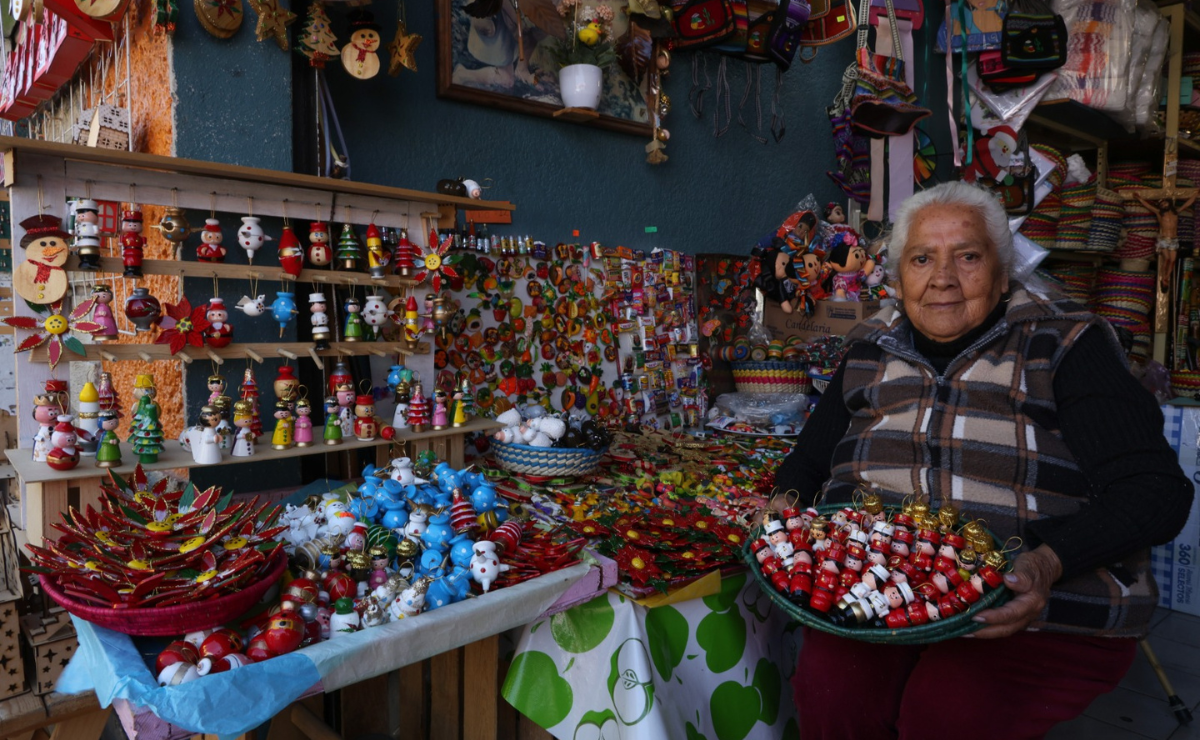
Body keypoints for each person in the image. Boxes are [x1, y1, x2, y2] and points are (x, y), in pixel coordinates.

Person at [773, 181, 1194, 739]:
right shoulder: (868, 346)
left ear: (1003, 273)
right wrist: (783, 509)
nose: (942, 278)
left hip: (1035, 602)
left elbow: (1154, 492)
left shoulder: (1065, 341)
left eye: (967, 256)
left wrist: (1045, 564)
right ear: (898, 280)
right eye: (922, 259)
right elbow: (806, 464)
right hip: (879, 587)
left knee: (948, 711)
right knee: (831, 691)